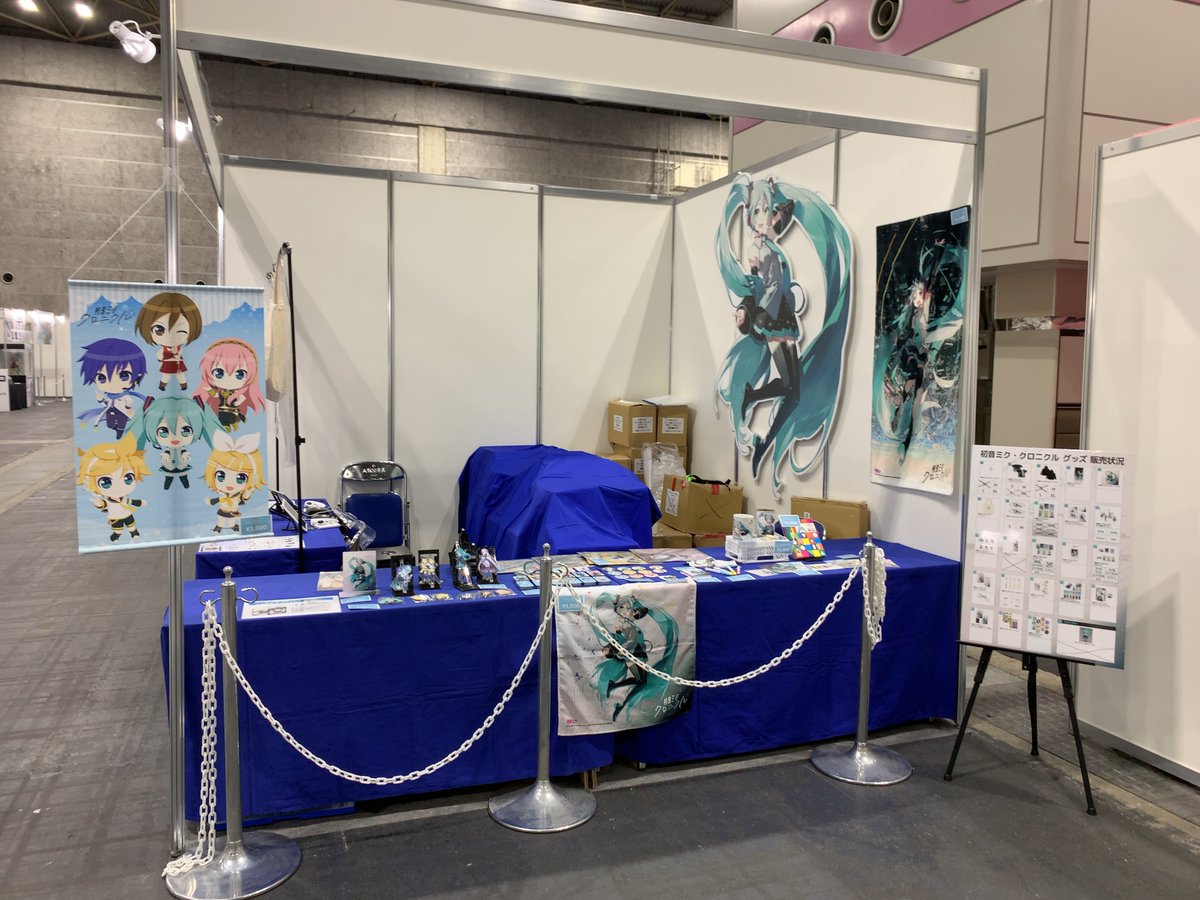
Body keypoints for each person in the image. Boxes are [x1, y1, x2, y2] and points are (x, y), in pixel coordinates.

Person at [129, 396, 220, 490]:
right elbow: (167, 452)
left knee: (183, 475)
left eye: (185, 431)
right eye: (163, 432)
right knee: (169, 476)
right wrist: (165, 455)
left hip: (181, 464)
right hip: (169, 464)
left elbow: (183, 451)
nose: (174, 438)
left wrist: (185, 454)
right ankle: (168, 485)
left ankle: (185, 484)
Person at [76, 433, 151, 542]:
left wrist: (140, 503)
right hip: (115, 517)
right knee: (118, 529)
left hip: (127, 514)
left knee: (131, 525)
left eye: (128, 478)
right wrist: (99, 504)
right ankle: (117, 535)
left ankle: (134, 532)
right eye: (106, 482)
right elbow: (103, 504)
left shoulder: (124, 498)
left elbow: (131, 501)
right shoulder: (108, 500)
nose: (119, 487)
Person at [76, 338, 148, 439]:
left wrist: (127, 407)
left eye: (124, 375)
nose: (112, 383)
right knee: (110, 425)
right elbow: (106, 403)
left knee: (121, 425)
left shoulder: (124, 396)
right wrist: (100, 399)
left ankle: (120, 433)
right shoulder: (109, 395)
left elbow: (129, 402)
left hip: (122, 413)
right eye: (101, 377)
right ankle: (115, 429)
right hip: (111, 411)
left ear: (137, 376)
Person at [135, 291, 203, 391]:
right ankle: (162, 385)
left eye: (181, 331)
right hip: (167, 363)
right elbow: (159, 354)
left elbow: (179, 352)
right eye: (159, 330)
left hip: (177, 363)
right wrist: (161, 360)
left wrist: (177, 354)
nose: (170, 336)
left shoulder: (178, 347)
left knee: (180, 375)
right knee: (166, 375)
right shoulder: (164, 349)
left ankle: (183, 385)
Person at [193, 338, 265, 432]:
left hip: (232, 410)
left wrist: (238, 402)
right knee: (222, 418)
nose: (229, 379)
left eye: (240, 374)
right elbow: (215, 395)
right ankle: (226, 426)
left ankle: (232, 424)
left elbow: (241, 398)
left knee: (231, 418)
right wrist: (209, 390)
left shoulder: (235, 393)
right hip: (222, 409)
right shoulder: (221, 392)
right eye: (219, 373)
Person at [204, 431, 264, 533]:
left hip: (233, 511)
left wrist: (249, 490)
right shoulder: (223, 494)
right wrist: (210, 501)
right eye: (221, 476)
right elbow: (217, 500)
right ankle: (218, 527)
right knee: (221, 520)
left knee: (232, 521)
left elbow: (245, 497)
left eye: (240, 478)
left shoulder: (237, 495)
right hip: (223, 510)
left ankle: (233, 526)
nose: (230, 483)